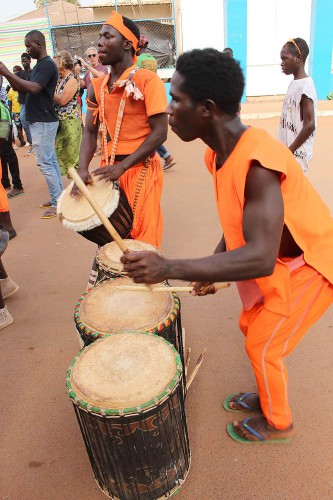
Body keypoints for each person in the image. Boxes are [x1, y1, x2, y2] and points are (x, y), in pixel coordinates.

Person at [121, 48, 333, 444]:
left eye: (177, 99)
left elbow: (259, 256)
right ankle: (269, 395)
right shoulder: (215, 155)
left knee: (263, 342)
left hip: (314, 262)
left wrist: (171, 268)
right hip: (283, 261)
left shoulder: (259, 163)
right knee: (252, 327)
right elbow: (235, 221)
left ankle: (278, 423)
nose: (169, 109)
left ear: (207, 108)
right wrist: (214, 264)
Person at [72, 11, 168, 287]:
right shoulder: (97, 86)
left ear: (127, 44)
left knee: (142, 243)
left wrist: (123, 167)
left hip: (141, 172)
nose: (99, 42)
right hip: (109, 175)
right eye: (100, 36)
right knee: (113, 243)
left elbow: (160, 133)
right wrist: (82, 170)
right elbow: (89, 131)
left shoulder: (149, 82)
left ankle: (147, 303)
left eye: (107, 36)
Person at [0, 30, 63, 219]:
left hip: (43, 121)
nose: (27, 50)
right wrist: (10, 76)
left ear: (38, 44)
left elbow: (34, 88)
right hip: (42, 120)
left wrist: (5, 71)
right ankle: (58, 198)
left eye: (29, 46)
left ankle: (57, 201)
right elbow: (22, 88)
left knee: (44, 162)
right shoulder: (40, 66)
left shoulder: (46, 65)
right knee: (50, 161)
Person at [137, 34, 176, 171]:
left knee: (147, 132)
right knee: (154, 130)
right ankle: (165, 155)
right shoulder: (152, 59)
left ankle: (164, 156)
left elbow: (137, 78)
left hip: (142, 97)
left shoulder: (137, 60)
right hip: (155, 94)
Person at [278, 38, 317, 176]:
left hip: (297, 155)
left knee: (295, 194)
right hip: (288, 153)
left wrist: (291, 149)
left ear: (298, 58)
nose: (281, 63)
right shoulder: (294, 84)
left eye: (285, 59)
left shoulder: (306, 86)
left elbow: (310, 124)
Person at [53, 51, 82, 177]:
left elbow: (62, 101)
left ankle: (79, 185)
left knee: (72, 154)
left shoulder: (72, 79)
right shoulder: (60, 79)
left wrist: (47, 90)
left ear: (62, 64)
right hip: (60, 121)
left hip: (70, 121)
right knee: (62, 152)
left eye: (55, 63)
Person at [0, 97, 25, 200]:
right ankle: (5, 183)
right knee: (3, 157)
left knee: (9, 156)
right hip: (4, 131)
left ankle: (17, 185)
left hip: (3, 132)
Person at [15, 53, 33, 155]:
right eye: (22, 61)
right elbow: (15, 86)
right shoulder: (19, 74)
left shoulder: (33, 72)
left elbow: (30, 87)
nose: (23, 63)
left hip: (32, 102)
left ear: (30, 61)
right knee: (23, 120)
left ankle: (36, 144)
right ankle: (32, 143)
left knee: (35, 123)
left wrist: (23, 87)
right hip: (23, 103)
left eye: (25, 61)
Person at [8, 68, 26, 147]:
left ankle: (29, 140)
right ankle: (22, 141)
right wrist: (11, 112)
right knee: (18, 127)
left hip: (24, 110)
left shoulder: (23, 88)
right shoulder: (11, 91)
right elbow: (10, 103)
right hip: (16, 112)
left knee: (25, 126)